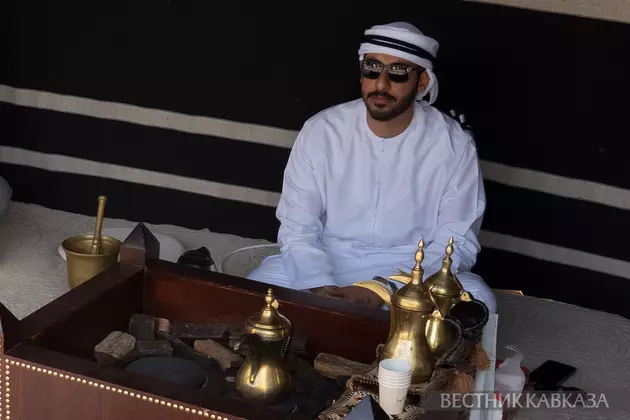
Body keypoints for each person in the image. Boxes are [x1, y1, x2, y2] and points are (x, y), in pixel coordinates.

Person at [248, 21, 497, 314]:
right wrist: (320, 286)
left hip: (410, 273)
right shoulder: (322, 130)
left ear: (421, 82)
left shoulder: (454, 144)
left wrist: (381, 290)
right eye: (372, 69)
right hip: (327, 260)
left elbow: (456, 242)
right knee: (255, 292)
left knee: (476, 301)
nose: (381, 84)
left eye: (398, 73)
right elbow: (297, 226)